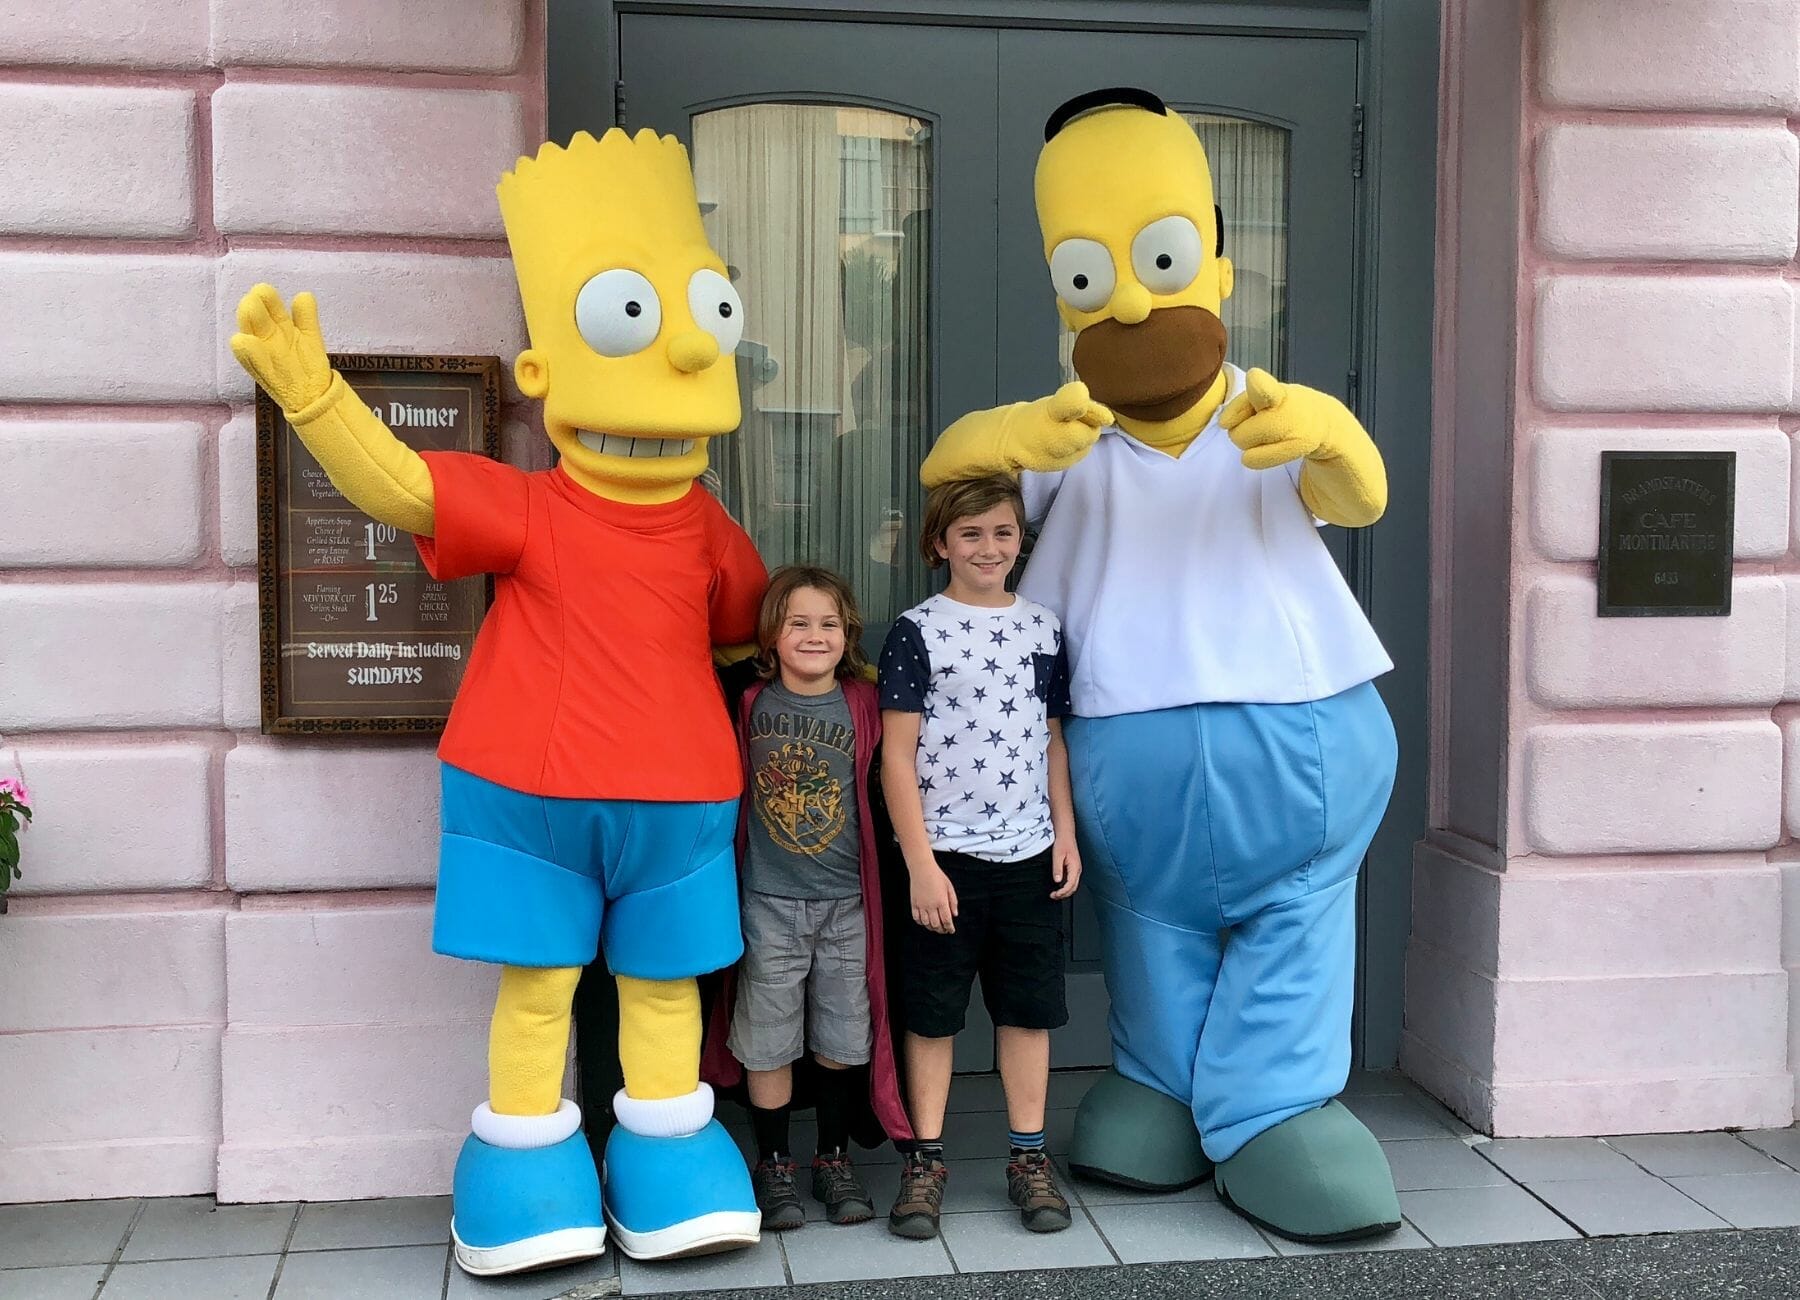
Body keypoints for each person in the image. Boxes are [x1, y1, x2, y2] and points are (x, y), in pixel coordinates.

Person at [876, 474, 1081, 1239]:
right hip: (945, 860)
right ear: (940, 545)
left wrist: (1065, 833)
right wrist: (920, 864)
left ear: (1019, 540)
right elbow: (896, 756)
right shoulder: (917, 631)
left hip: (1028, 855)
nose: (988, 548)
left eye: (1001, 533)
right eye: (970, 535)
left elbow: (1054, 738)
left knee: (1027, 1011)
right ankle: (924, 1161)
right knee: (932, 1014)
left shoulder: (1044, 628)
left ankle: (1028, 1157)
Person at [701, 566, 913, 1231]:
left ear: (847, 633)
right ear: (771, 634)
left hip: (850, 903)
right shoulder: (746, 702)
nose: (814, 636)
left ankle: (832, 1157)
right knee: (766, 1037)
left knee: (843, 1036)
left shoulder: (866, 704)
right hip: (768, 900)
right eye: (798, 622)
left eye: (829, 623)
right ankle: (774, 1163)